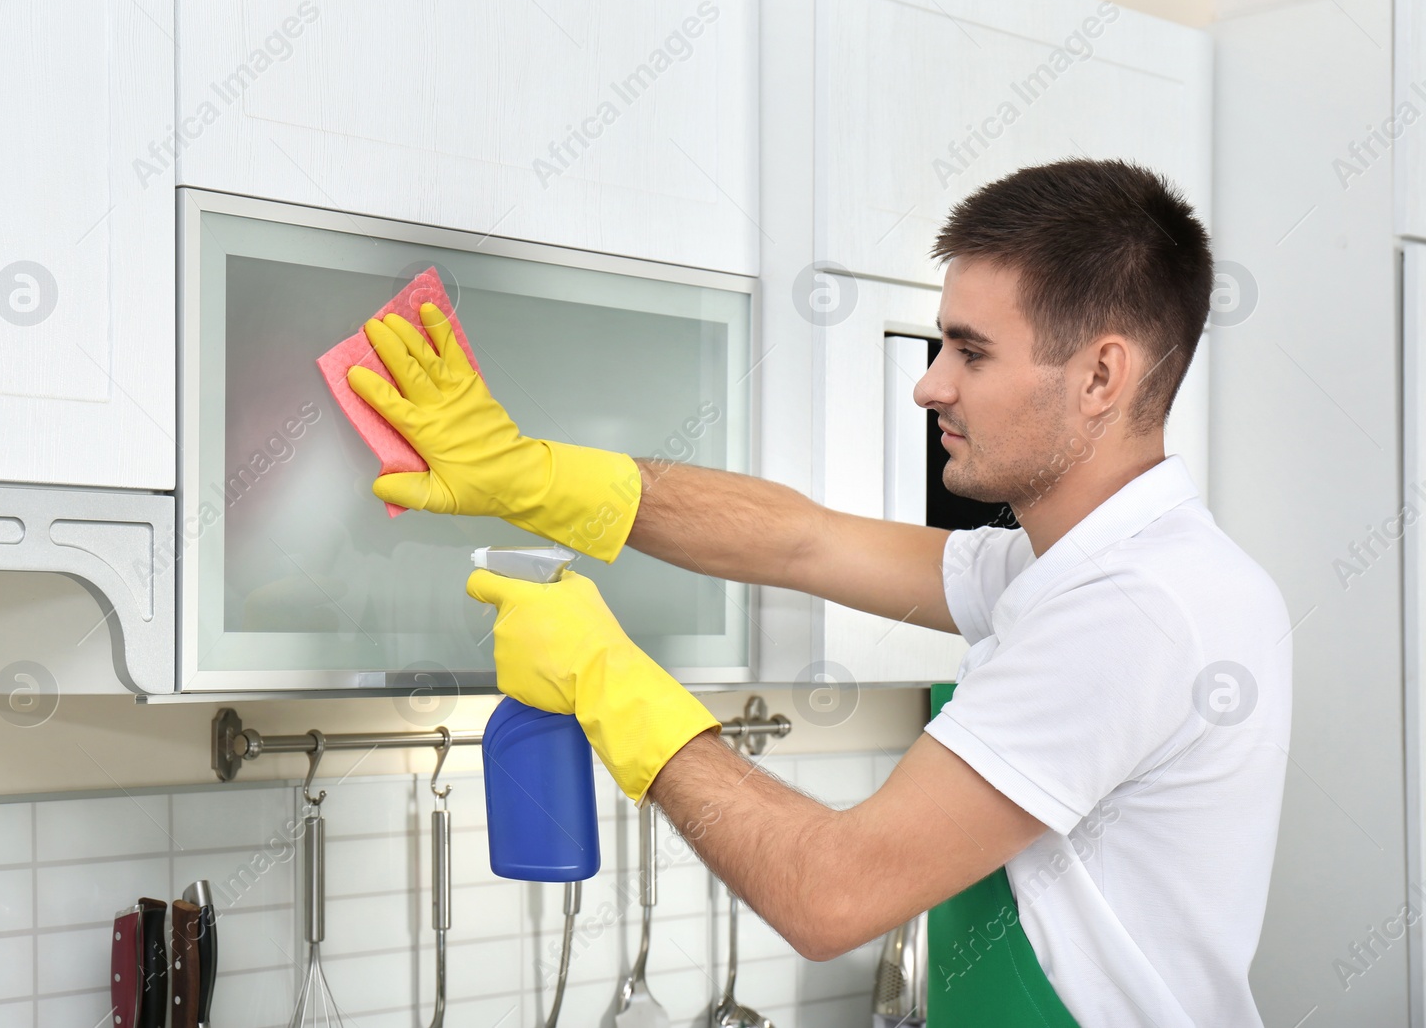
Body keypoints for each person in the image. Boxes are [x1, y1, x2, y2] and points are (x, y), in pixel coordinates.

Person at [346, 158, 1291, 1027]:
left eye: (971, 352)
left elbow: (829, 893)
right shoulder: (1078, 568)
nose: (930, 386)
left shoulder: (1130, 610)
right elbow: (805, 541)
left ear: (1100, 375)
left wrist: (606, 679)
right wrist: (535, 476)